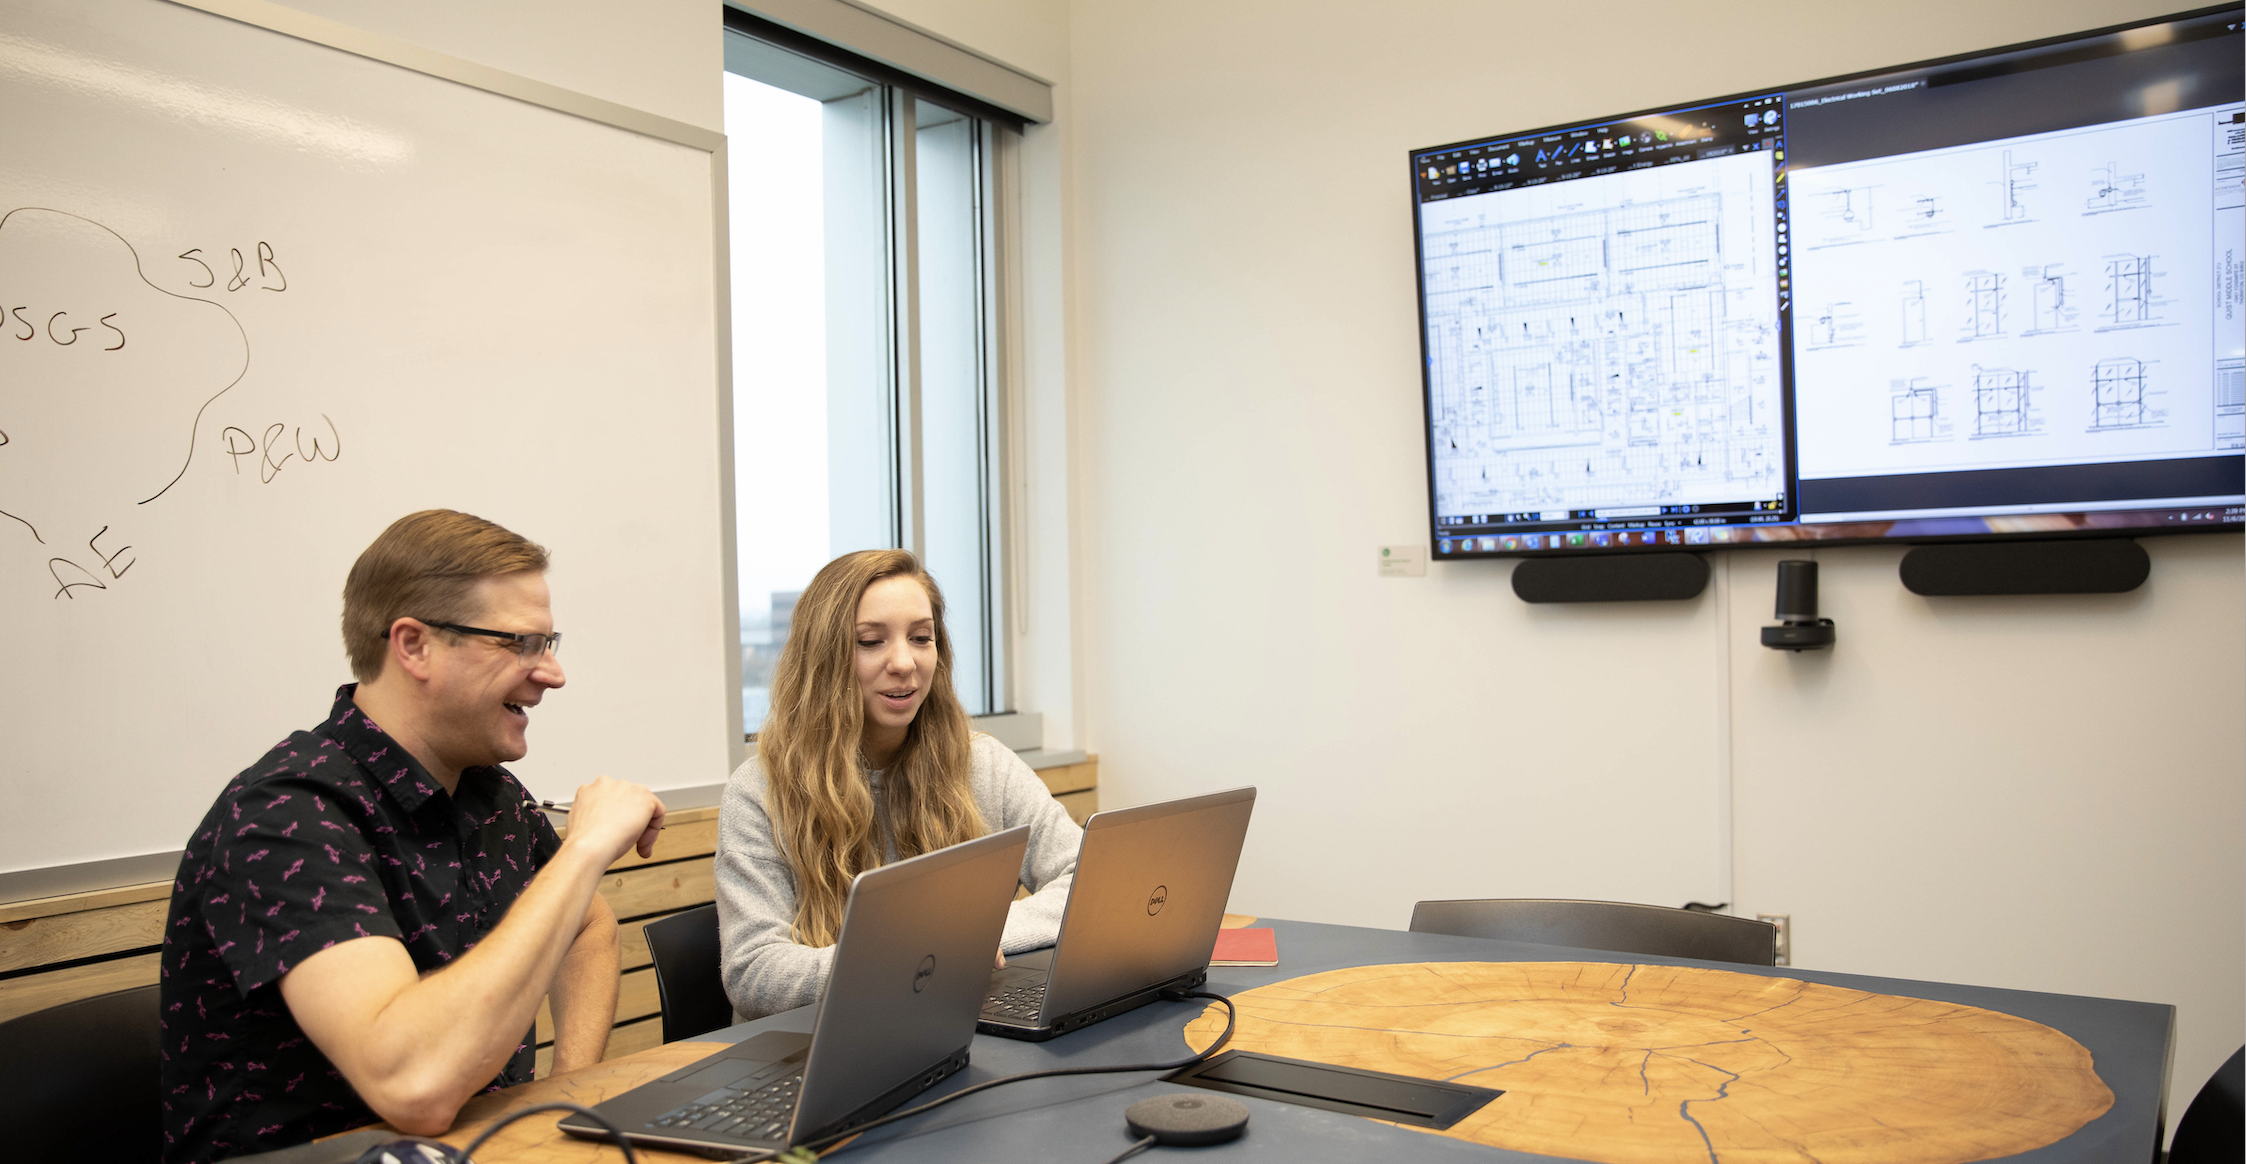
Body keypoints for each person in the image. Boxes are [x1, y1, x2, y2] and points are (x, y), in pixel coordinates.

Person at [158, 510, 667, 1164]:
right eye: (521, 644)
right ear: (414, 645)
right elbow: (413, 1086)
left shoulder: (488, 791)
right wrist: (585, 849)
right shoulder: (287, 815)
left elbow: (587, 929)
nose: (552, 673)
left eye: (550, 643)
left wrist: (563, 1095)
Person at [715, 549, 1081, 1019]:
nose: (905, 662)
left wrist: (968, 936)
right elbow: (754, 972)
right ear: (823, 659)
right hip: (814, 1048)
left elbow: (1083, 877)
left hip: (950, 1025)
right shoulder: (758, 792)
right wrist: (903, 957)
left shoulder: (983, 763)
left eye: (921, 637)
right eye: (871, 641)